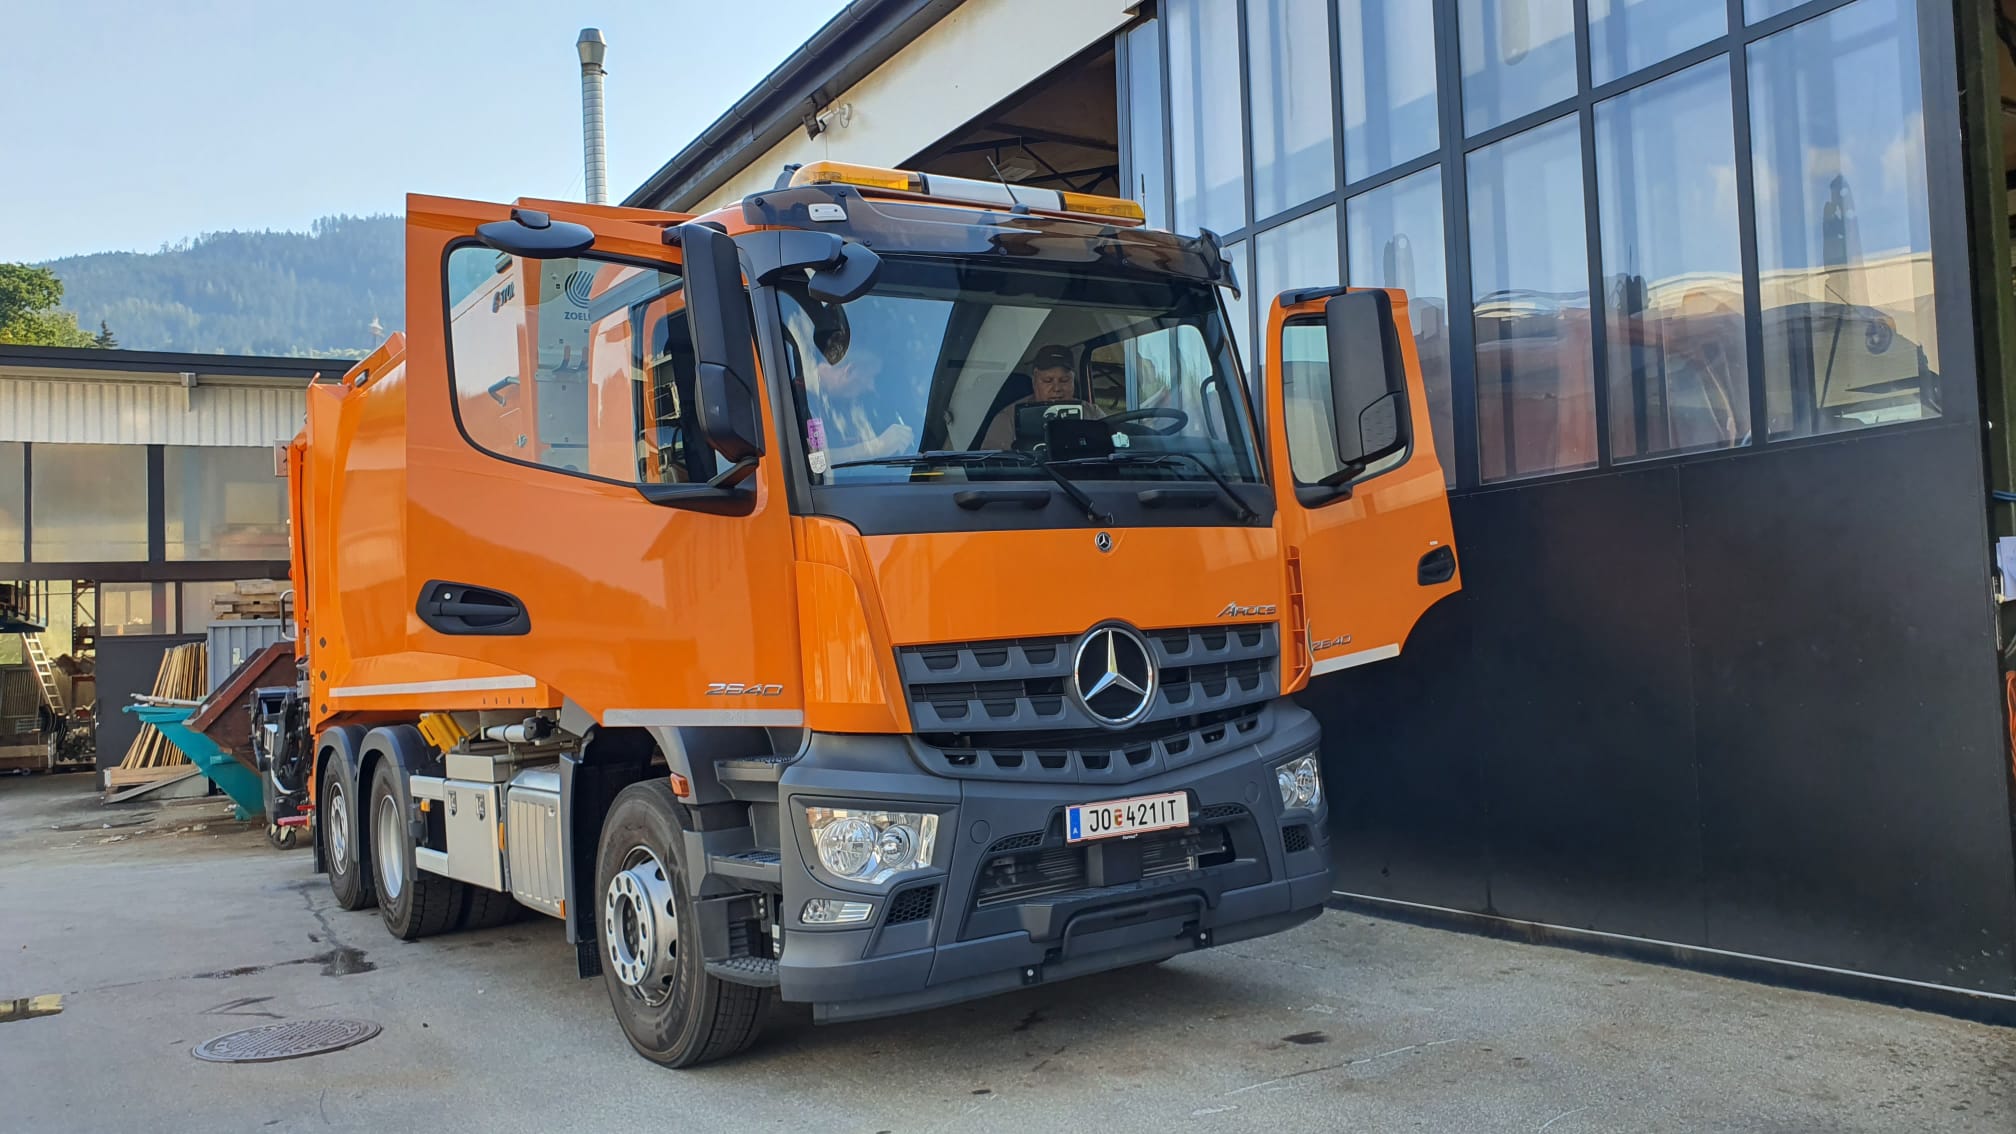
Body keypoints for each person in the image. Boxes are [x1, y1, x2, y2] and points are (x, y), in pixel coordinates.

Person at [798, 308, 914, 469]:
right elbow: (813, 462)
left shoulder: (856, 403)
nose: (871, 387)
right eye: (869, 378)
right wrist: (876, 448)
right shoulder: (795, 398)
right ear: (849, 371)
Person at [978, 343, 1101, 450]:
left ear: (1073, 380)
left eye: (1064, 380)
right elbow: (992, 465)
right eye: (1048, 380)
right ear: (1034, 381)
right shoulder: (1009, 418)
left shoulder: (1092, 413)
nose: (1057, 388)